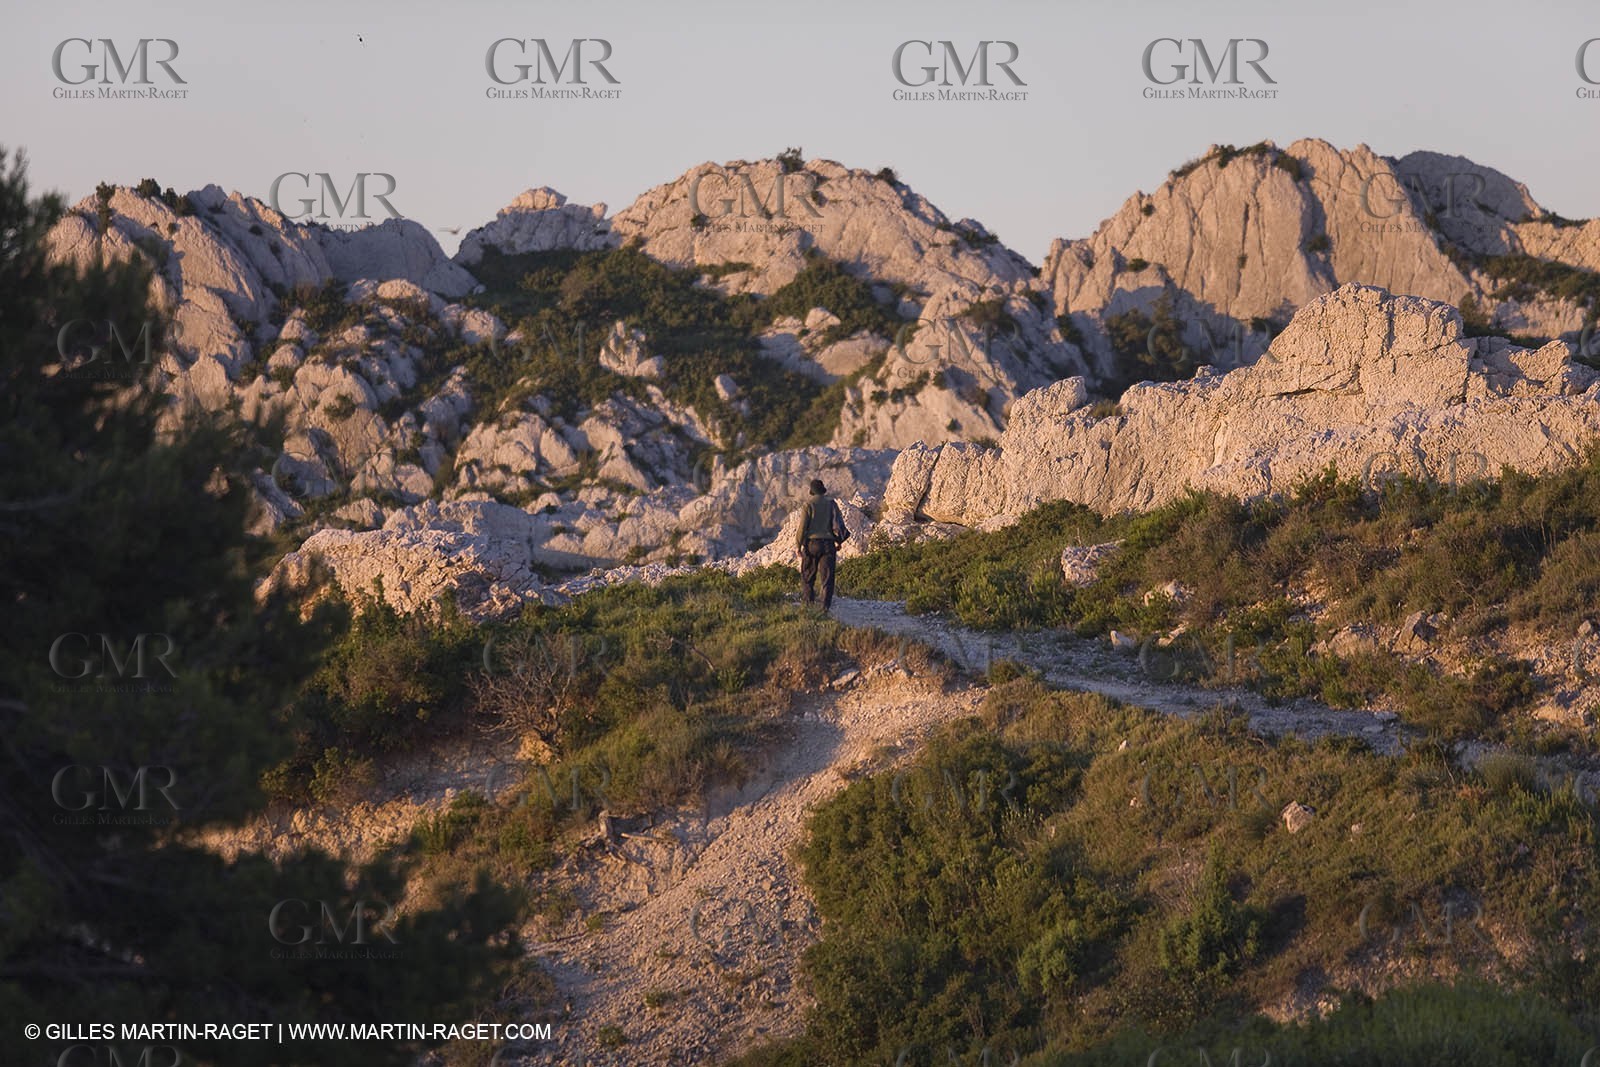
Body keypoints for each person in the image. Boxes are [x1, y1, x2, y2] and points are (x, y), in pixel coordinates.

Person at [795, 478, 849, 611]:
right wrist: (838, 541)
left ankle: (808, 605)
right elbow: (837, 524)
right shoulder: (831, 504)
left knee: (808, 575)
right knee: (827, 576)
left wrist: (798, 546)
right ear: (823, 491)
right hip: (828, 544)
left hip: (811, 544)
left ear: (812, 492)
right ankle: (824, 608)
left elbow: (802, 527)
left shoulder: (808, 505)